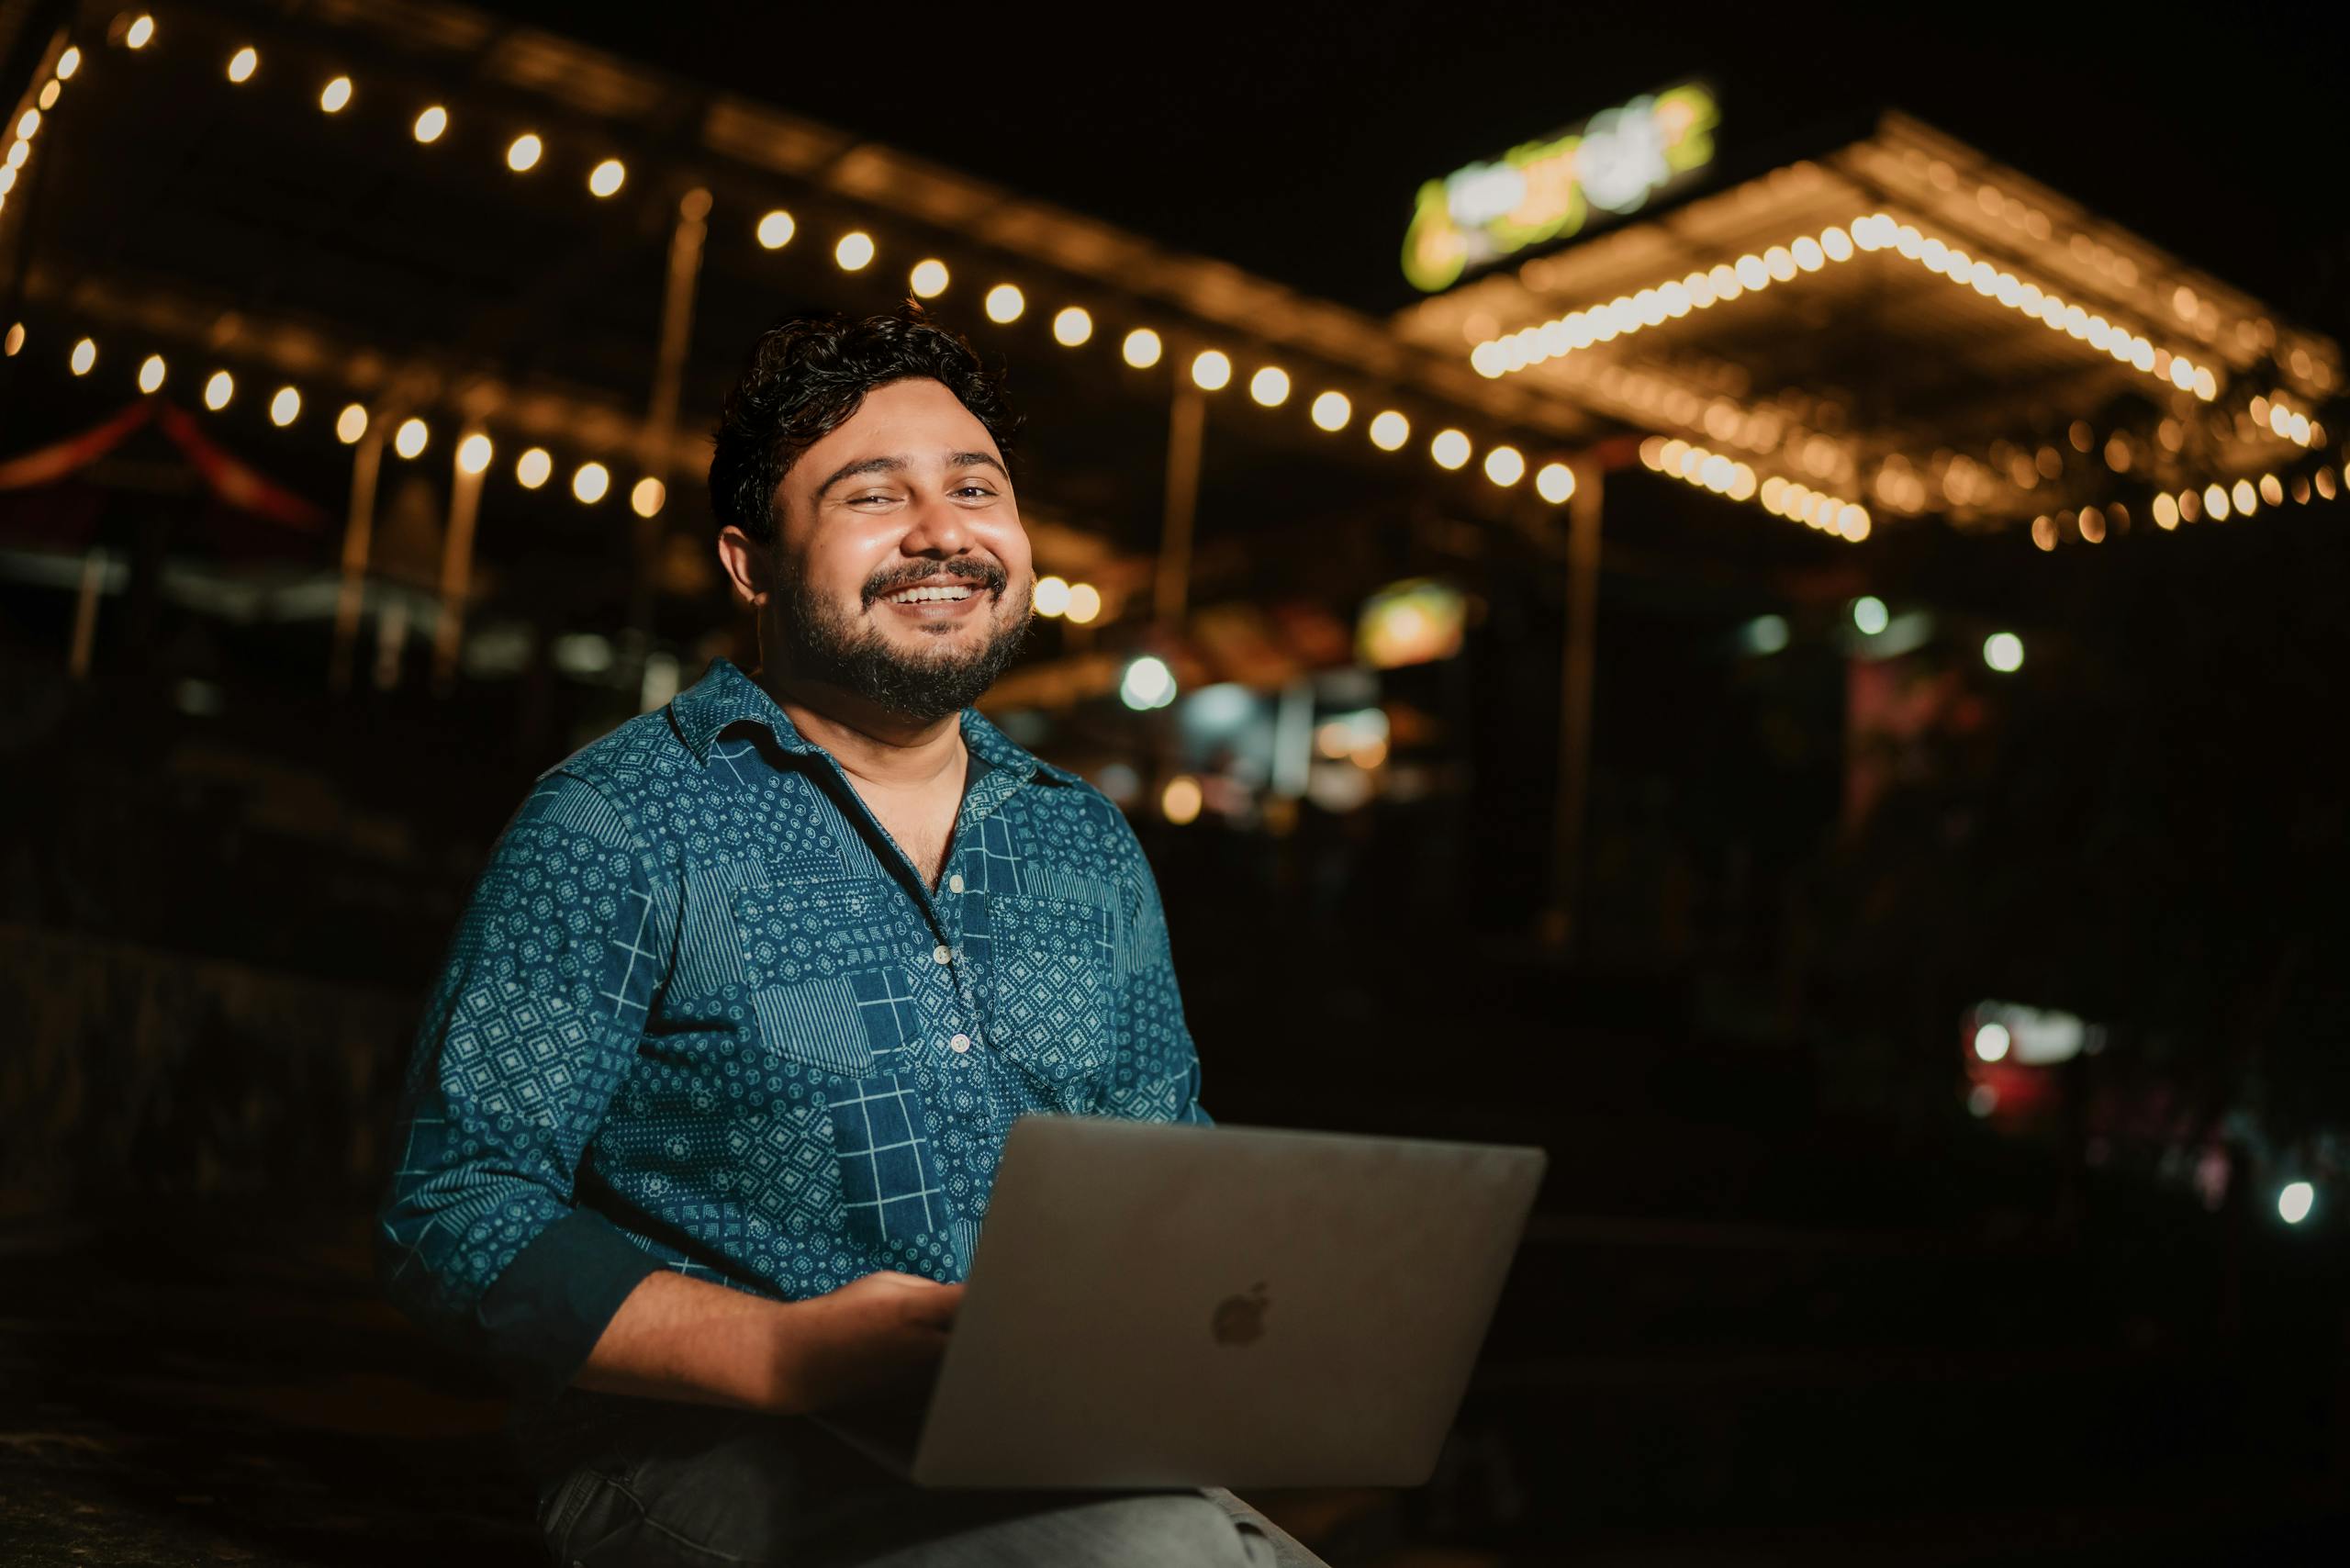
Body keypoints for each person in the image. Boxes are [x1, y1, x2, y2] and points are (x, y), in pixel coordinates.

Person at [377, 309, 1317, 1566]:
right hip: (694, 1451)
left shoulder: (1085, 845)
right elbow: (455, 1207)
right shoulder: (619, 823)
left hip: (1045, 1449)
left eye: (976, 488)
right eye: (873, 495)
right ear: (751, 562)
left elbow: (1162, 1168)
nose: (943, 529)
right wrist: (781, 1355)